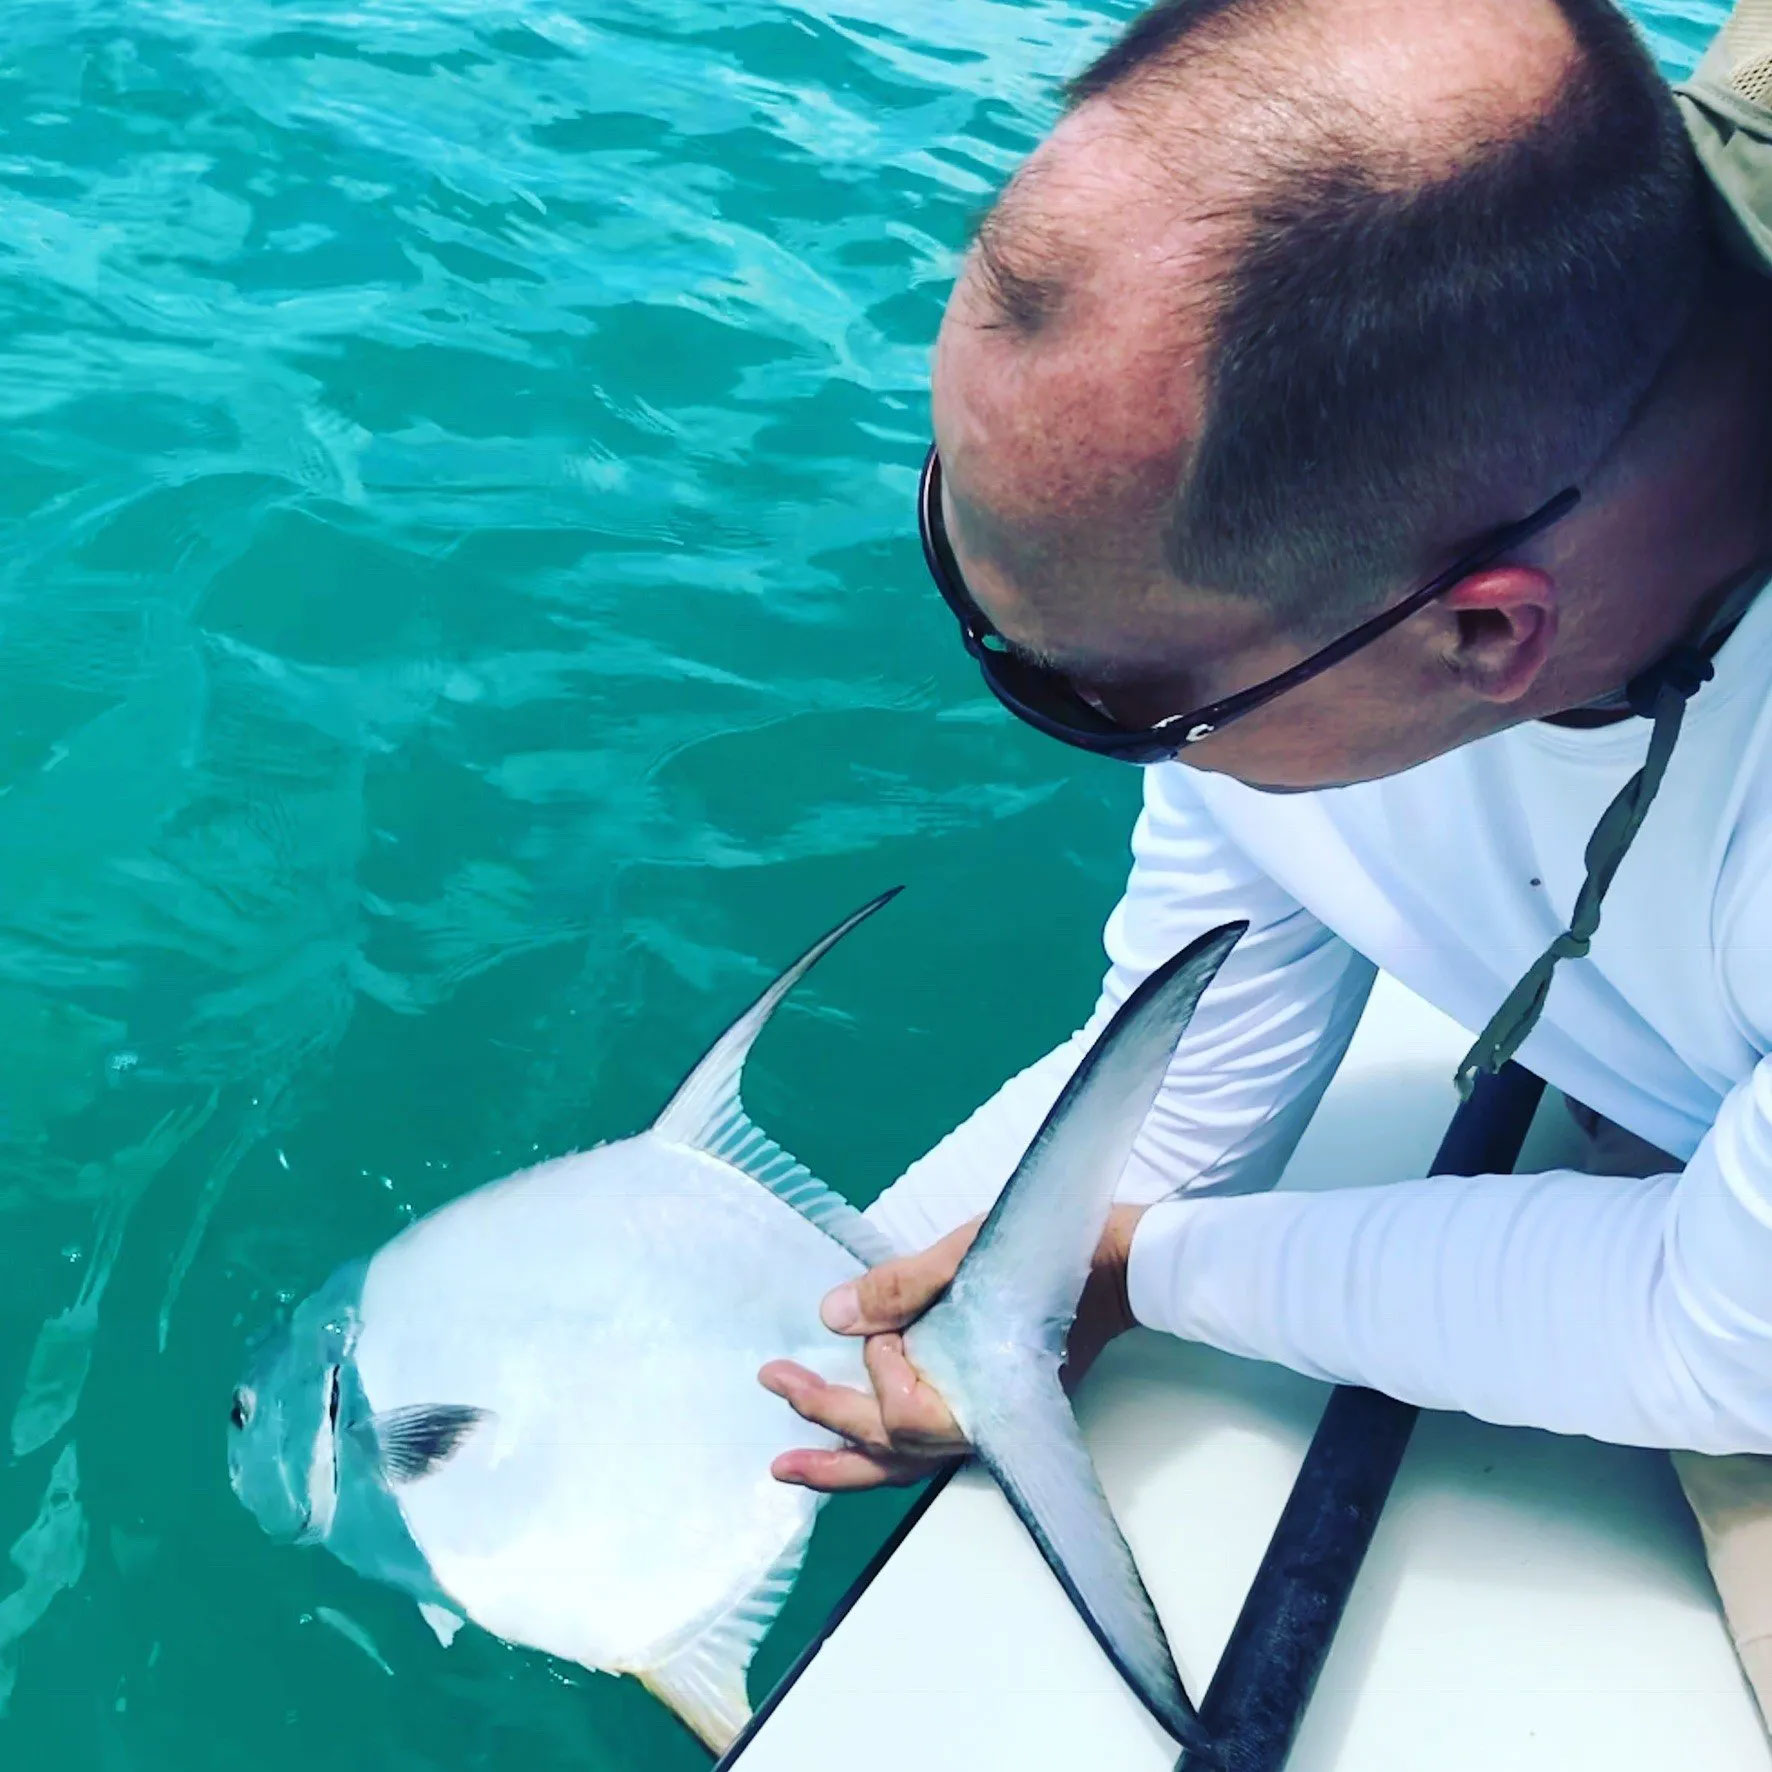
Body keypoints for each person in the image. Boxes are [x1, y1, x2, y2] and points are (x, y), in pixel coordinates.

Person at [756, 0, 1772, 1718]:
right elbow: (1194, 1070)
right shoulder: (1405, 489)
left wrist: (1146, 1271)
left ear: (1486, 637)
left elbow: (1723, 1336)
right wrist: (795, 1335)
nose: (1039, 697)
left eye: (1104, 700)